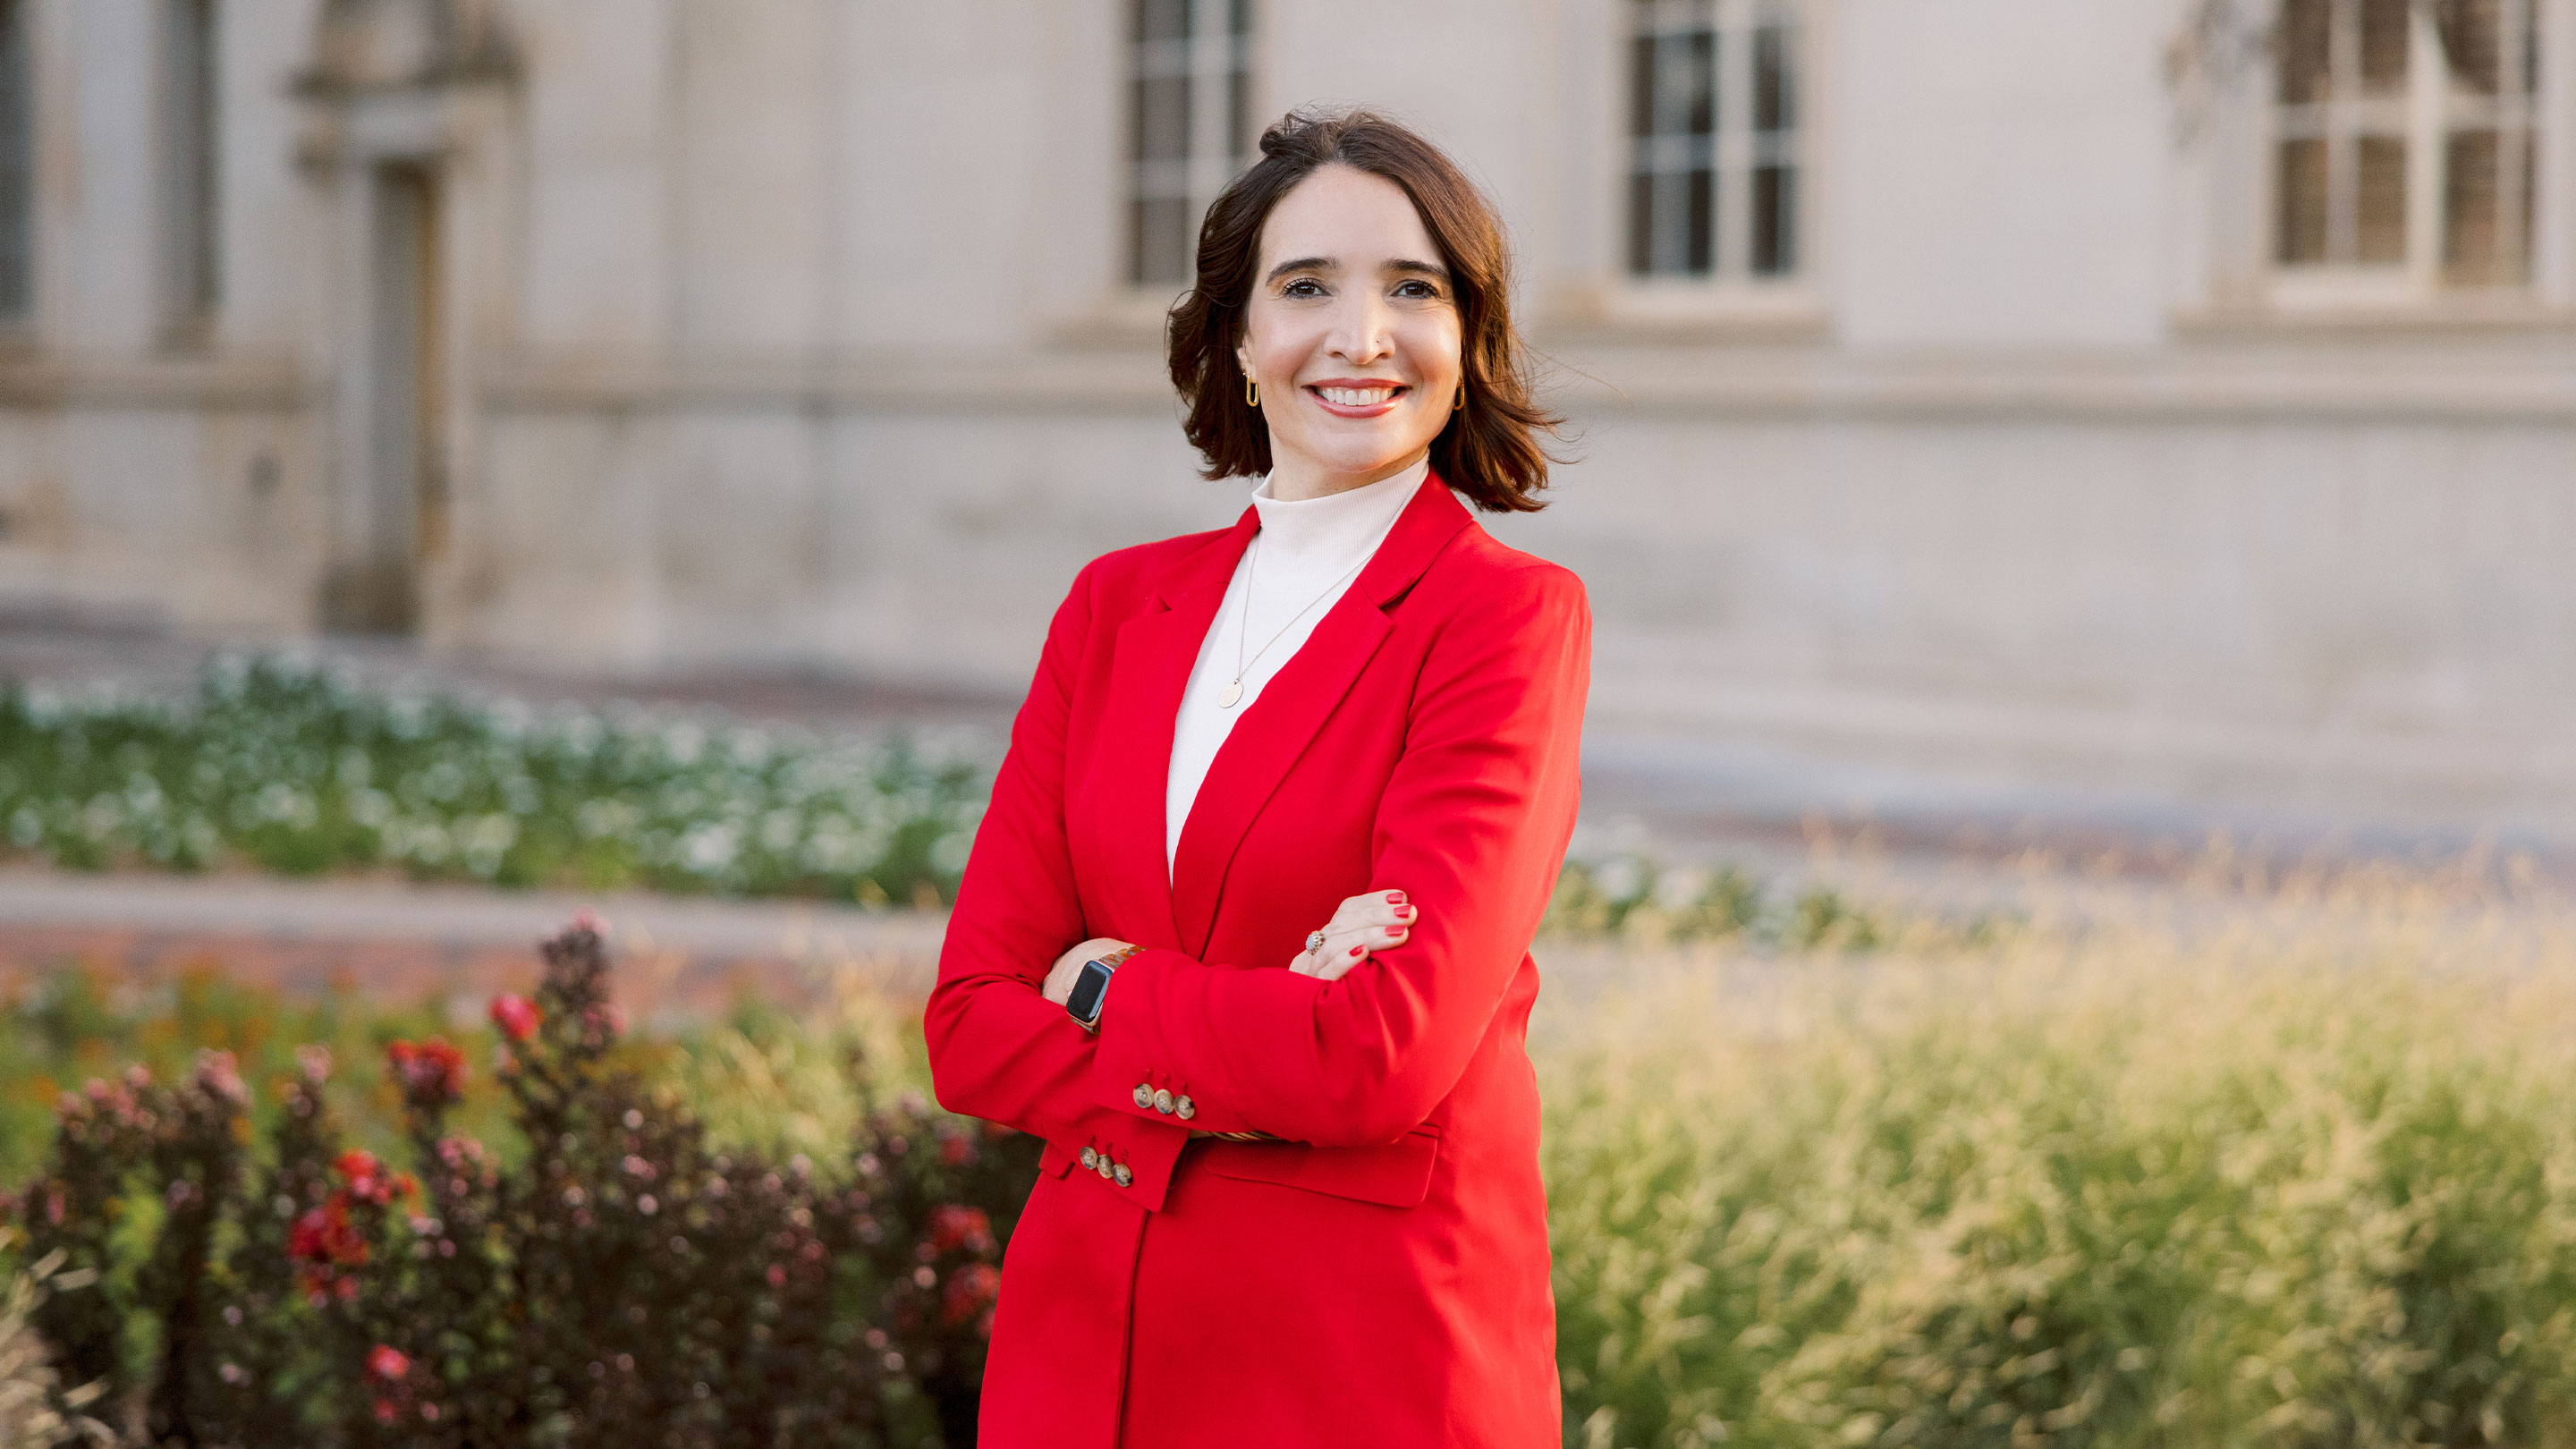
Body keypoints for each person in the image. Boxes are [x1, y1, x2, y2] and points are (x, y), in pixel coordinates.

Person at [925, 106, 1590, 1449]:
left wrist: (1106, 985)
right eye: (1307, 288)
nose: (1361, 338)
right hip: (1082, 1350)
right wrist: (1266, 1020)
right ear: (1236, 335)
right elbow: (970, 1024)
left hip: (1357, 1362)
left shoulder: (1503, 621)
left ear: (1470, 334)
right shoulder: (1116, 607)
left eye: (1414, 289)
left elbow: (1380, 1059)